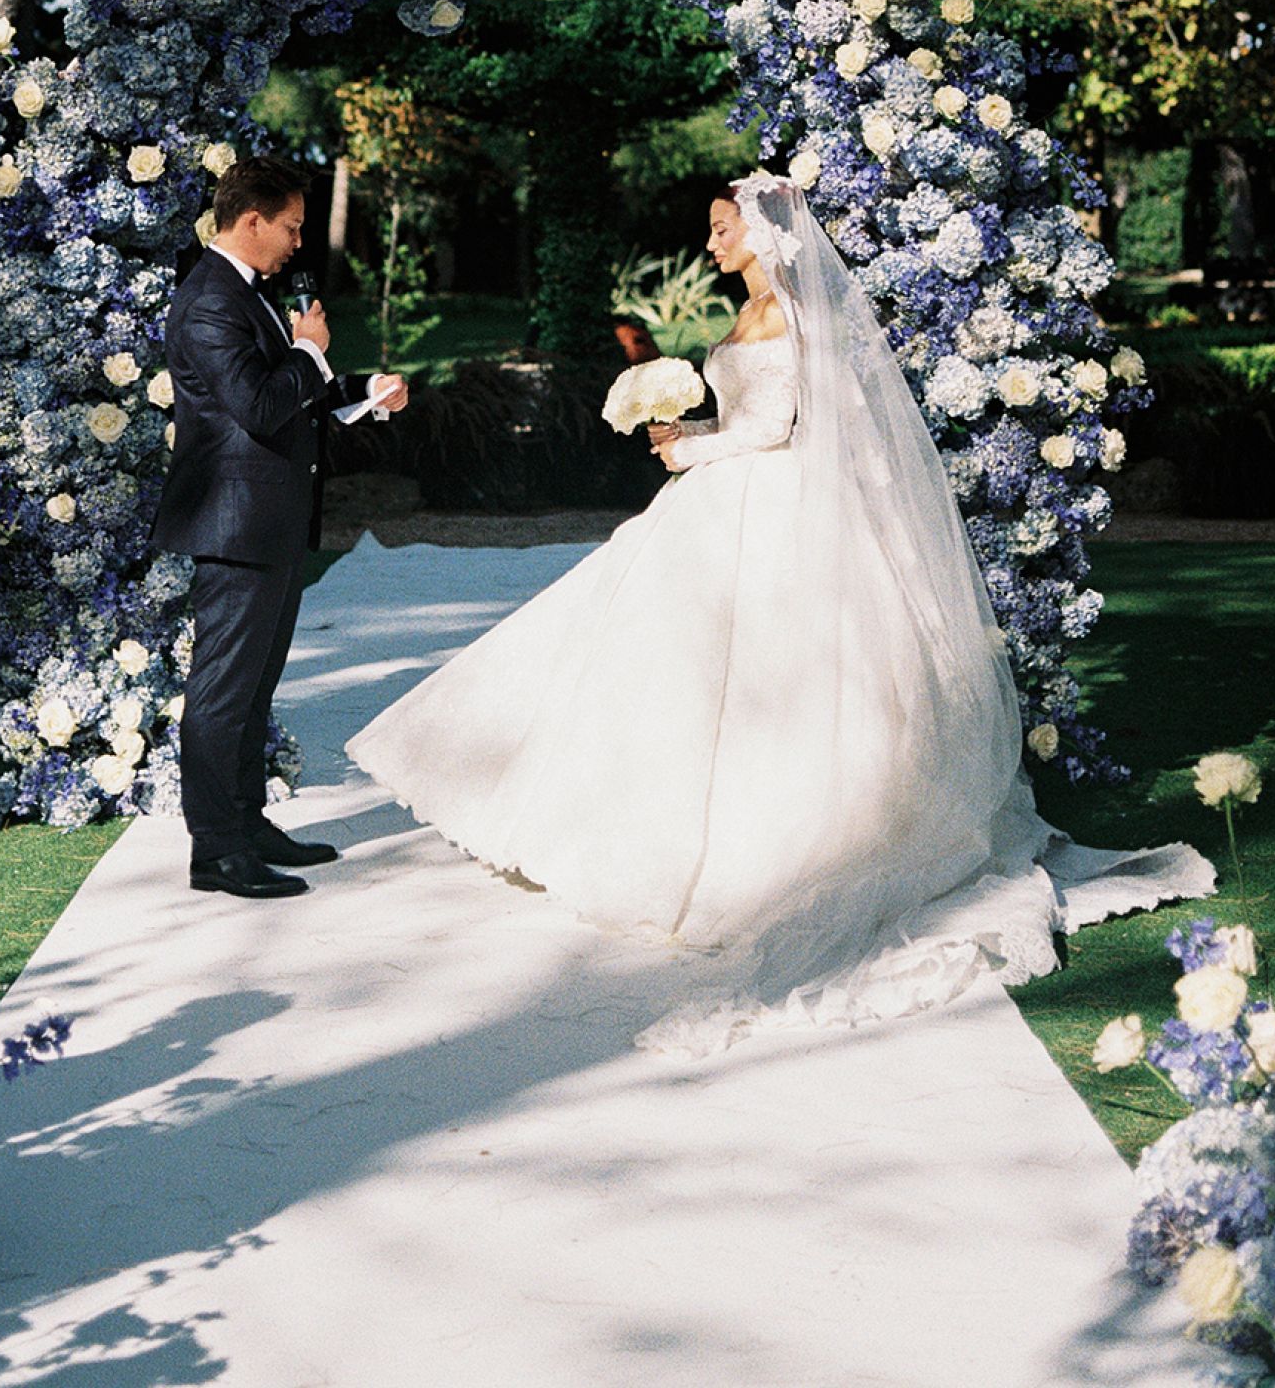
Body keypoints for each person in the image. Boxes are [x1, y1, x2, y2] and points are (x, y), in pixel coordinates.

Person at [348, 172, 1206, 1049]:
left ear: (765, 234)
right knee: (657, 650)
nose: (713, 244)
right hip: (727, 495)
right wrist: (686, 434)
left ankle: (750, 849)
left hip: (766, 498)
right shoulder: (752, 312)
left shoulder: (791, 314)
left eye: (724, 229)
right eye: (713, 231)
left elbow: (778, 424)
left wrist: (696, 446)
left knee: (760, 664)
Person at [153, 153, 409, 901]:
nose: (299, 241)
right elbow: (263, 405)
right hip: (235, 526)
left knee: (254, 687)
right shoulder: (208, 300)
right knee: (223, 691)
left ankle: (248, 822)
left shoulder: (249, 294)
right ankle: (215, 849)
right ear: (253, 220)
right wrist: (307, 351)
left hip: (270, 519)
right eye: (292, 226)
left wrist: (365, 392)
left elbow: (293, 389)